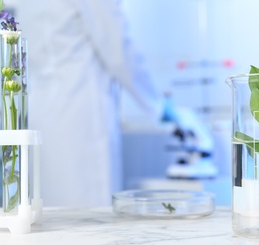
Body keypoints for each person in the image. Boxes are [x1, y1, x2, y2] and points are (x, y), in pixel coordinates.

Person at [16, 0, 161, 207]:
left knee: (50, 214)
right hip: (80, 115)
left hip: (41, 111)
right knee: (89, 215)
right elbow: (118, 50)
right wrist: (158, 105)